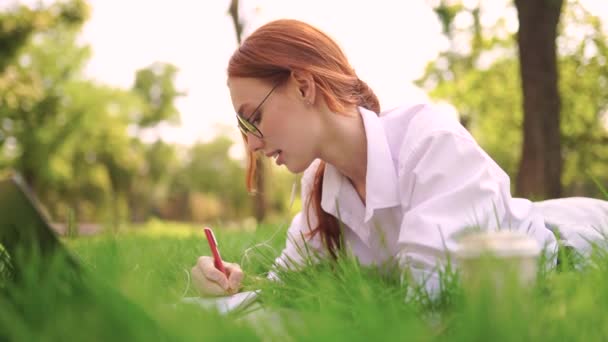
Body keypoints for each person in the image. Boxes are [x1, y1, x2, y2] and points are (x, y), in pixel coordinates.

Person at [190, 19, 608, 297]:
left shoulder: (430, 145)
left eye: (254, 119)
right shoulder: (321, 185)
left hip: (577, 245)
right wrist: (235, 286)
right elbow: (291, 287)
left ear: (303, 86)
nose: (253, 146)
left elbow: (432, 301)